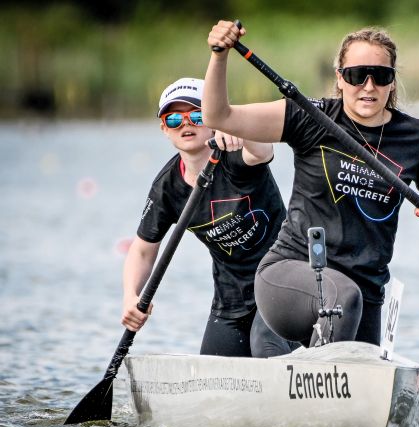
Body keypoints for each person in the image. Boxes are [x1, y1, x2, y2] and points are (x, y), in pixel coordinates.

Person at [204, 22, 419, 352]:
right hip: (291, 275)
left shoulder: (416, 136)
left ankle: (316, 368)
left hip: (365, 294)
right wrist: (219, 56)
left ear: (392, 81)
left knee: (351, 305)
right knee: (343, 297)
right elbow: (218, 116)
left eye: (380, 76)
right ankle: (318, 370)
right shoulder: (312, 116)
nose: (368, 86)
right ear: (339, 78)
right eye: (357, 75)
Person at [122, 77, 296, 357]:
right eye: (174, 119)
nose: (186, 124)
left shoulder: (236, 155)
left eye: (197, 115)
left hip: (280, 283)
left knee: (265, 347)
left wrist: (238, 128)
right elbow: (142, 251)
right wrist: (130, 296)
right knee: (212, 375)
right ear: (164, 129)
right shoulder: (167, 189)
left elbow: (263, 152)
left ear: (213, 119)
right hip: (231, 300)